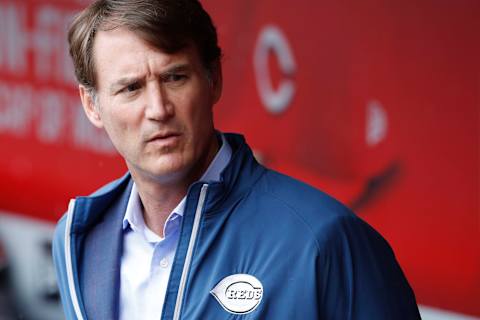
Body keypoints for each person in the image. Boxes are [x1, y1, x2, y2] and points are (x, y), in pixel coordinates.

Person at [52, 0, 421, 319]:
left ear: (214, 78)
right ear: (92, 105)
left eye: (175, 77)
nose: (158, 109)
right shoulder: (80, 239)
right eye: (131, 88)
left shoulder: (323, 239)